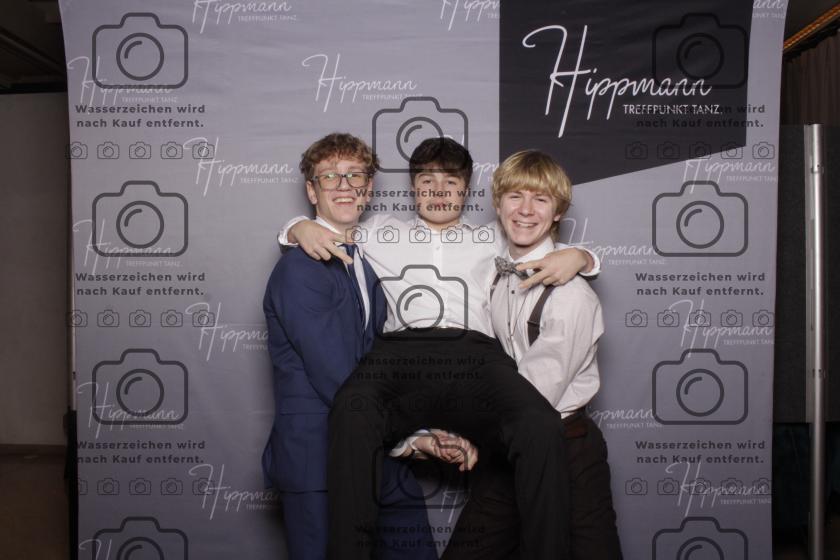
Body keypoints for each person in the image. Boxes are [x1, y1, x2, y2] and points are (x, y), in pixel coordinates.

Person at [279, 137, 601, 559]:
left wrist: (582, 257)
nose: (438, 191)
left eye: (451, 182)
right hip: (399, 353)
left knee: (538, 423)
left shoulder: (492, 238)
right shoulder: (380, 232)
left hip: (475, 355)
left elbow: (537, 237)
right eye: (427, 181)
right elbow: (329, 227)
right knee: (352, 409)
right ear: (413, 188)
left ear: (466, 191)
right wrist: (296, 228)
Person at [262, 133, 474, 560]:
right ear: (312, 191)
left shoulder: (367, 257)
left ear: (369, 188)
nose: (344, 186)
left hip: (377, 454)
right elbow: (337, 377)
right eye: (330, 177)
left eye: (355, 175)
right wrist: (414, 439)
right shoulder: (300, 270)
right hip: (319, 461)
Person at [442, 150, 621, 559]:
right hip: (507, 448)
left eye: (540, 199)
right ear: (497, 203)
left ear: (558, 212)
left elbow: (532, 396)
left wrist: (467, 429)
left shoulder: (572, 296)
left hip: (566, 450)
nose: (525, 210)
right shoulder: (490, 271)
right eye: (515, 196)